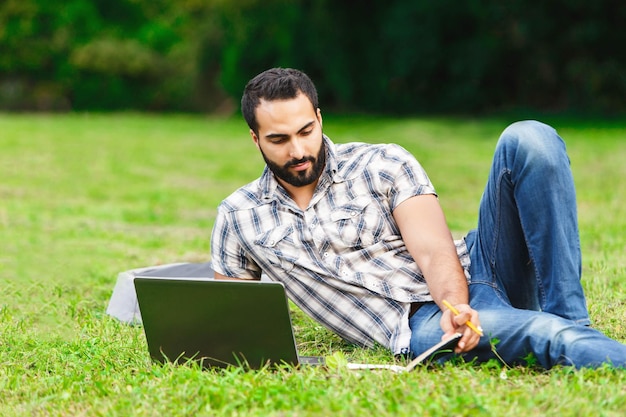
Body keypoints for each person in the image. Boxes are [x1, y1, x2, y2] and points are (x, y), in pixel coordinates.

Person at [210, 67, 626, 369]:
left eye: (305, 131)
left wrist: (457, 308)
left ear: (319, 119)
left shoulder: (382, 162)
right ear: (255, 138)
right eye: (279, 140)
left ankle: (573, 318)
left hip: (479, 271)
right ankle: (568, 334)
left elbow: (432, 250)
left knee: (529, 138)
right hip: (417, 324)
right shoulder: (240, 217)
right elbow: (230, 322)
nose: (297, 151)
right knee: (545, 336)